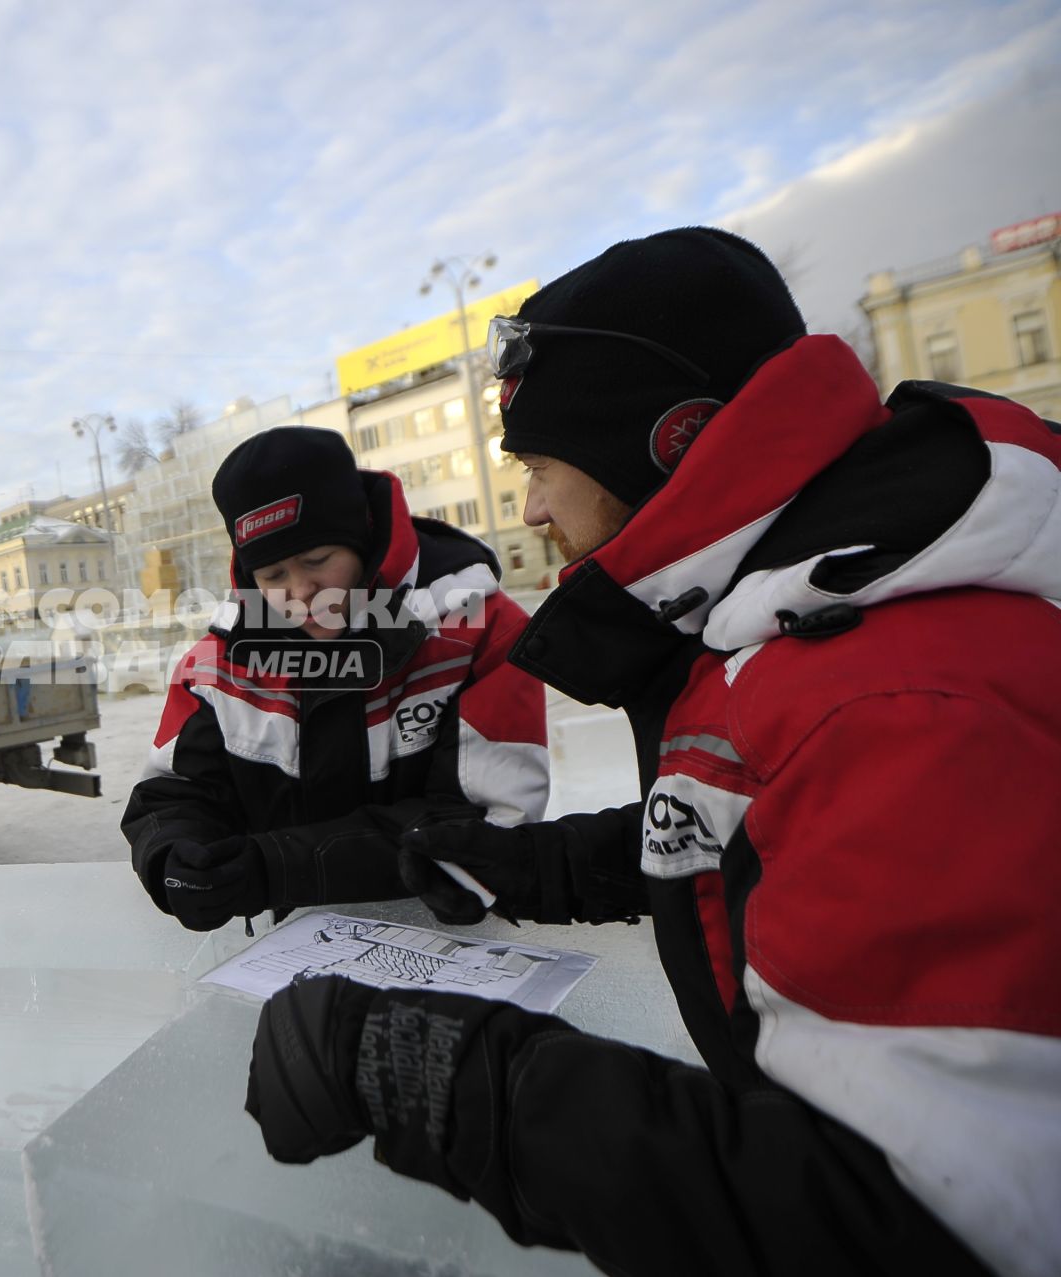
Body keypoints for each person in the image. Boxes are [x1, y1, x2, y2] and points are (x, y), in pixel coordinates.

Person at [242, 227, 1060, 1277]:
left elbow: (915, 1217)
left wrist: (438, 1072)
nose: (530, 507)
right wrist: (536, 866)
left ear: (667, 442)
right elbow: (781, 835)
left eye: (539, 465)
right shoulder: (807, 623)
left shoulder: (896, 697)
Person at [121, 425, 550, 933]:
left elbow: (490, 823)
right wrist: (175, 856)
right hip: (288, 959)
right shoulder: (219, 664)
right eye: (273, 576)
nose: (301, 590)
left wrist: (275, 869)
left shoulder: (478, 632)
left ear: (363, 539)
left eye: (318, 560)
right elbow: (173, 791)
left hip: (455, 946)